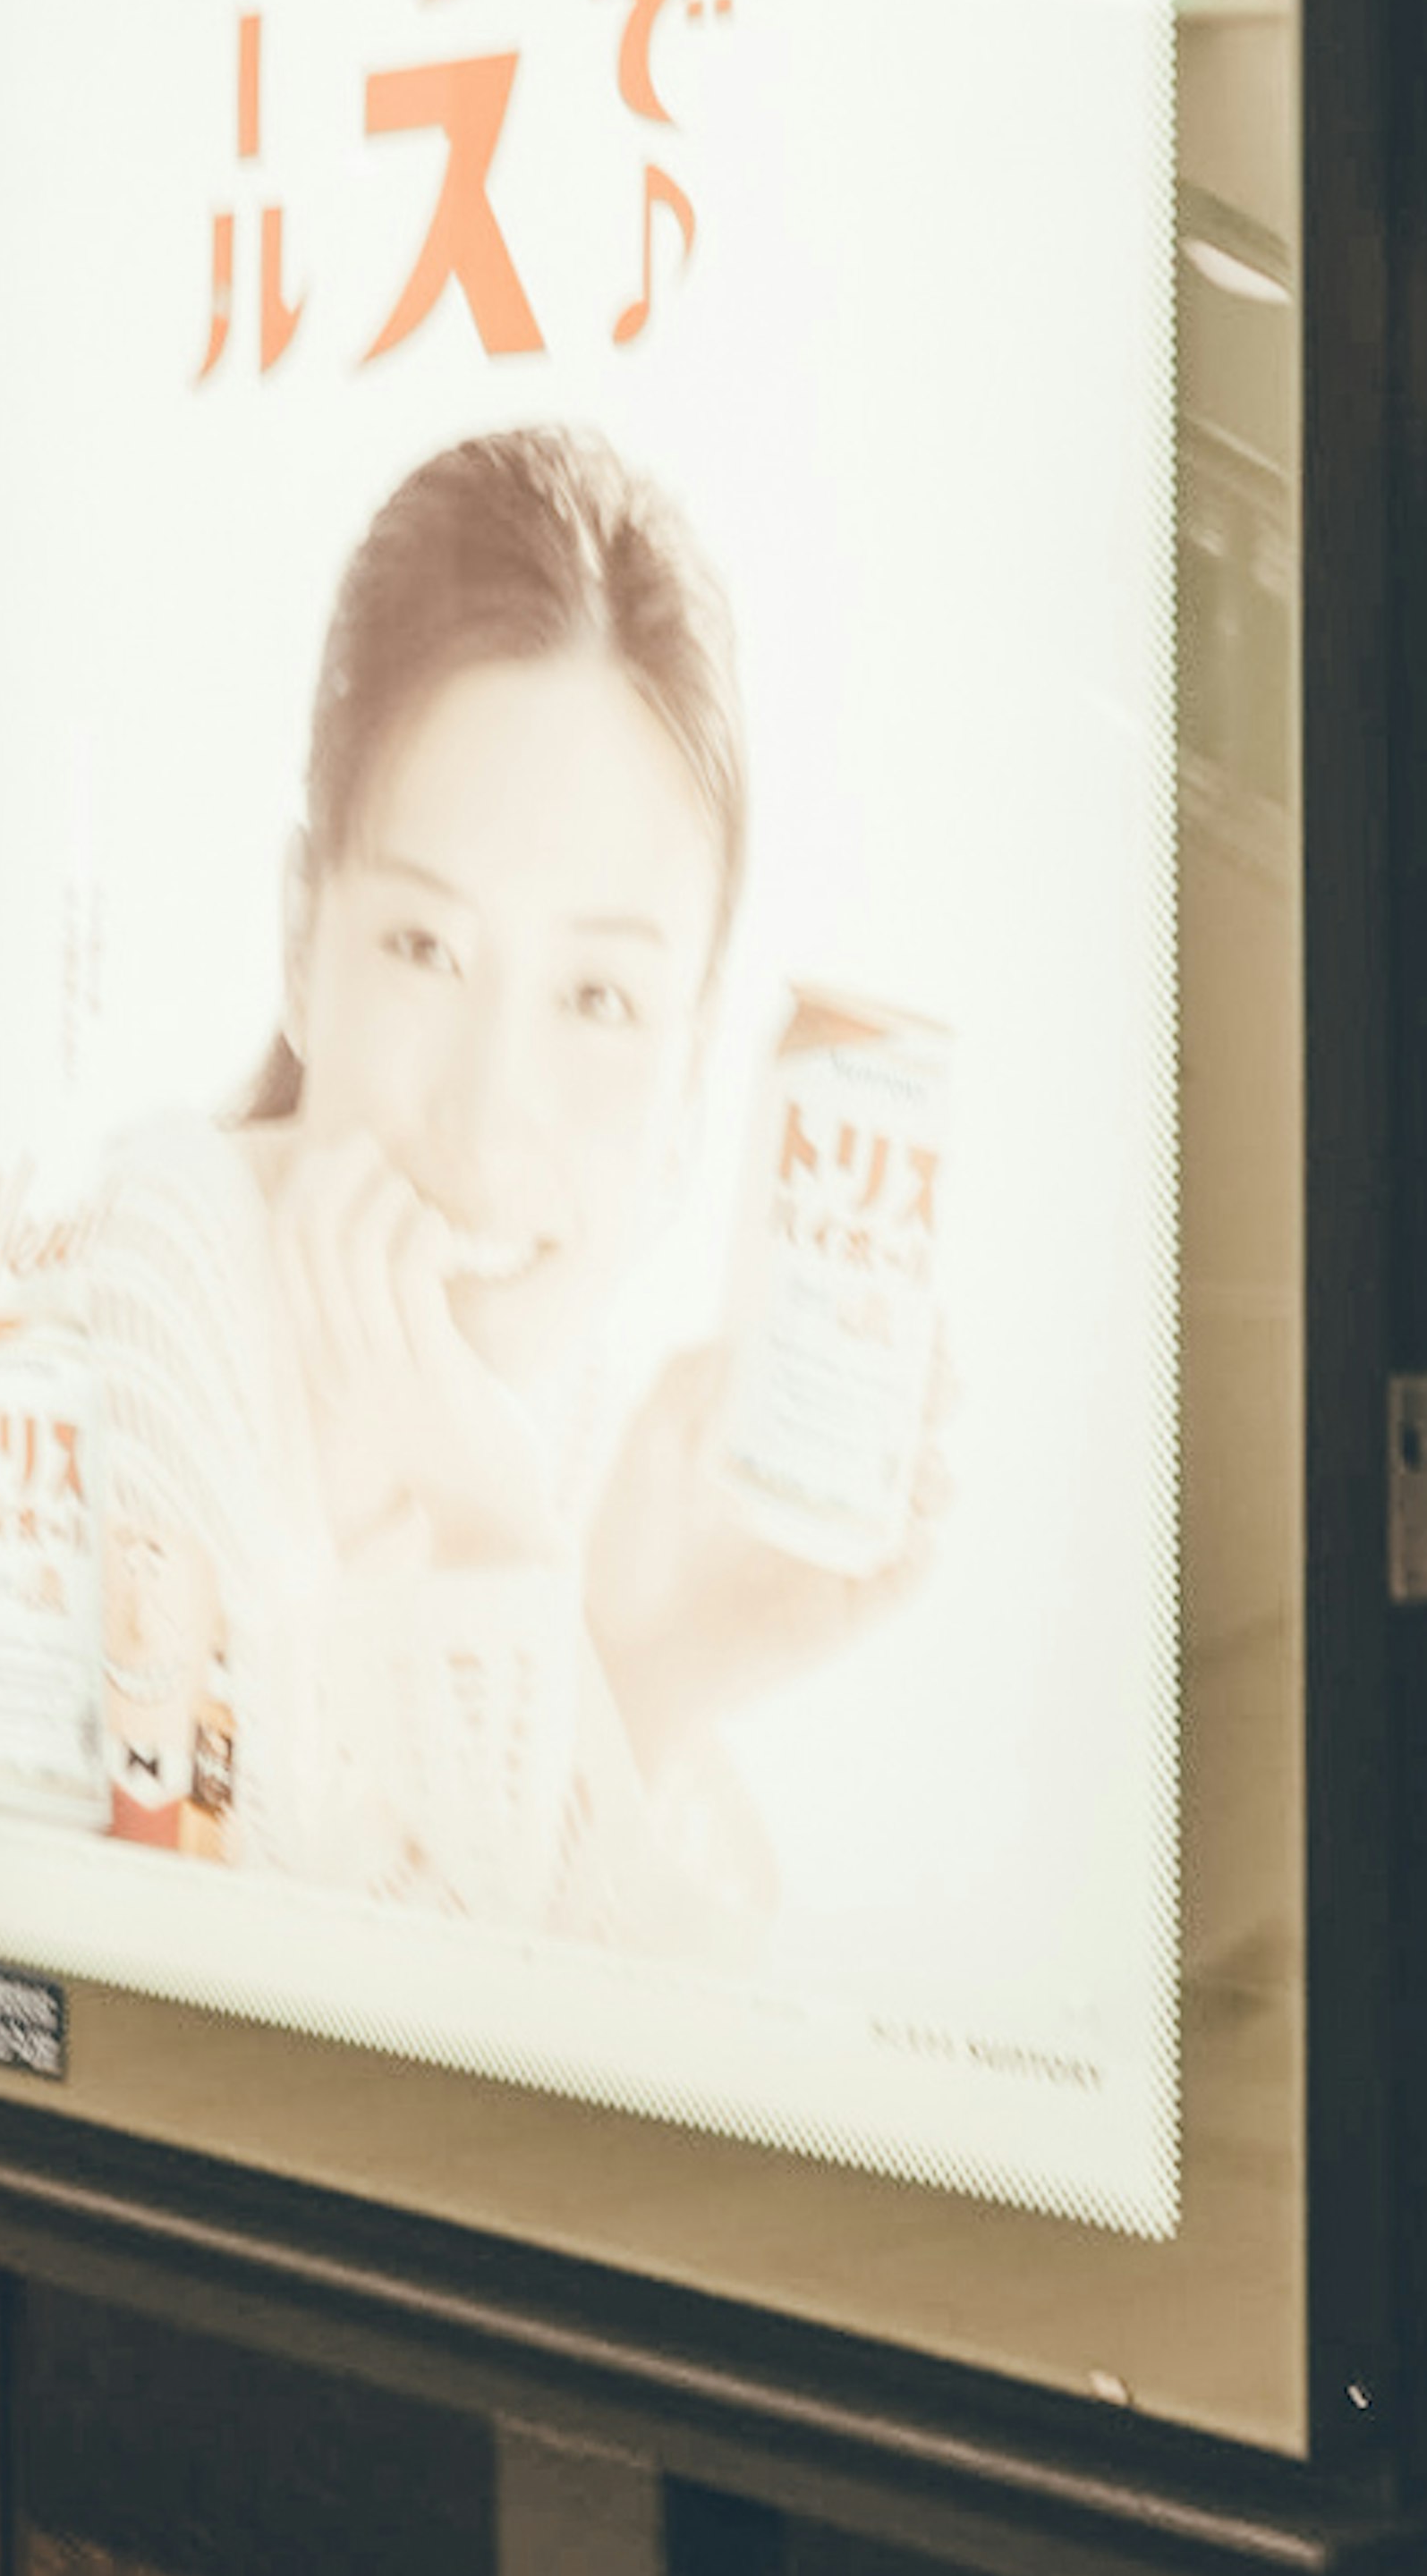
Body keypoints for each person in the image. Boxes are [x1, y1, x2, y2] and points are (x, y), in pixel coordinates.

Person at [64, 424, 941, 1940]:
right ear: (300, 938)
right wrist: (500, 1554)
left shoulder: (599, 1437)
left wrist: (648, 1674)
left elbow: (582, 2117)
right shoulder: (161, 1263)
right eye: (425, 948)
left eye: (597, 999)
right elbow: (247, 2003)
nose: (489, 1113)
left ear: (690, 1072)